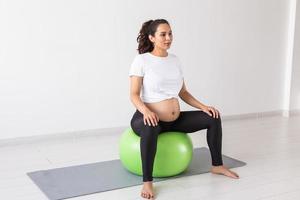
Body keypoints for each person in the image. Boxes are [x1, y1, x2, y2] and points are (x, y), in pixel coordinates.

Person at [129, 19, 239, 200]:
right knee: (151, 126)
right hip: (147, 119)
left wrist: (204, 107)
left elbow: (183, 92)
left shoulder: (175, 60)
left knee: (213, 117)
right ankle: (147, 182)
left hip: (173, 120)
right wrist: (146, 112)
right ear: (152, 38)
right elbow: (133, 94)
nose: (168, 38)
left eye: (170, 33)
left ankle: (217, 165)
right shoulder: (142, 60)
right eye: (163, 34)